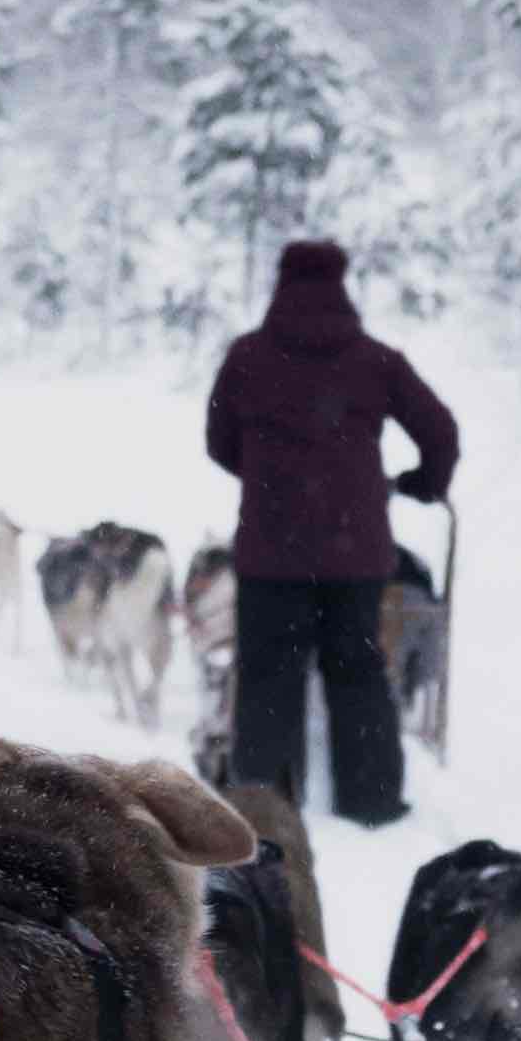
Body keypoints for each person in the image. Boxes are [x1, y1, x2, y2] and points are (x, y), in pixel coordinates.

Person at [201, 237, 457, 828]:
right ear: (342, 286)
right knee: (358, 673)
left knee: (268, 678)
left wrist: (267, 476)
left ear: (280, 283)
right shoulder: (375, 360)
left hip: (270, 555)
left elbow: (217, 441)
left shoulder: (247, 357)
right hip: (355, 556)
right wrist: (421, 483)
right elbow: (440, 432)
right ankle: (371, 801)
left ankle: (266, 810)